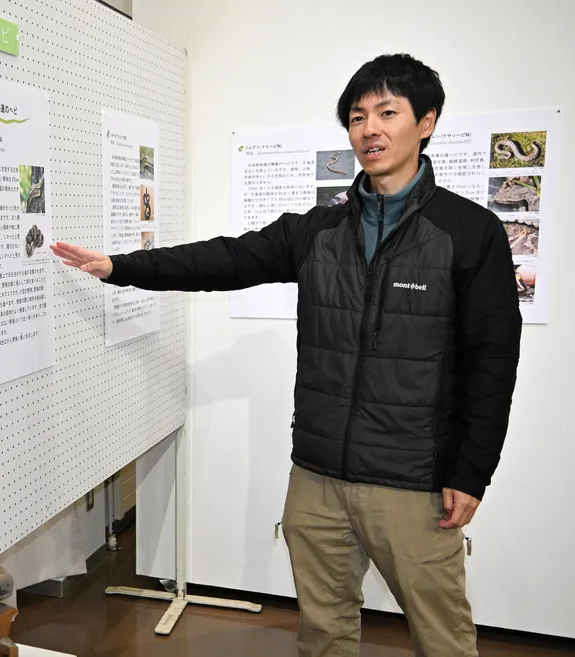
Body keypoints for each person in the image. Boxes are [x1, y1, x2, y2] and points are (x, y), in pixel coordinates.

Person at [50, 53, 522, 657]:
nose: (369, 130)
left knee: (444, 640)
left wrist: (470, 472)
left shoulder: (470, 232)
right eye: (357, 117)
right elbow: (224, 259)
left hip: (414, 484)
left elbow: (493, 362)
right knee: (322, 635)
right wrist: (121, 268)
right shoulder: (319, 230)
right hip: (318, 478)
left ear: (425, 122)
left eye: (387, 112)